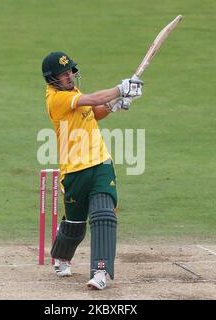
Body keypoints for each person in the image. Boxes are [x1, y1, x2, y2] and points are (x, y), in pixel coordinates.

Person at [41, 51, 143, 290]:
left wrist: (114, 105)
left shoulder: (72, 93)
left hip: (100, 164)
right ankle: (61, 255)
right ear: (51, 79)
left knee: (104, 215)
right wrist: (120, 89)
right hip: (75, 171)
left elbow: (94, 112)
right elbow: (93, 99)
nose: (69, 76)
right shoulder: (56, 100)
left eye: (70, 72)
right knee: (76, 224)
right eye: (63, 74)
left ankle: (100, 271)